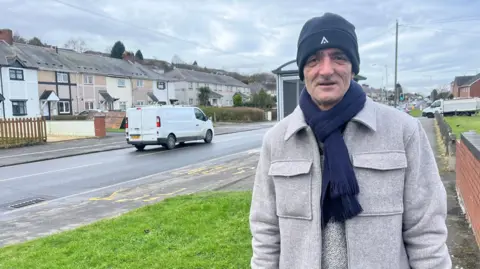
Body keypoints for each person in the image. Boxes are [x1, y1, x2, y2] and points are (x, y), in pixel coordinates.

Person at [249, 12, 451, 269]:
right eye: (313, 60)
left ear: (354, 67)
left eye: (339, 58)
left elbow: (427, 233)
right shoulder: (277, 141)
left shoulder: (403, 132)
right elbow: (266, 234)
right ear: (303, 71)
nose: (326, 70)